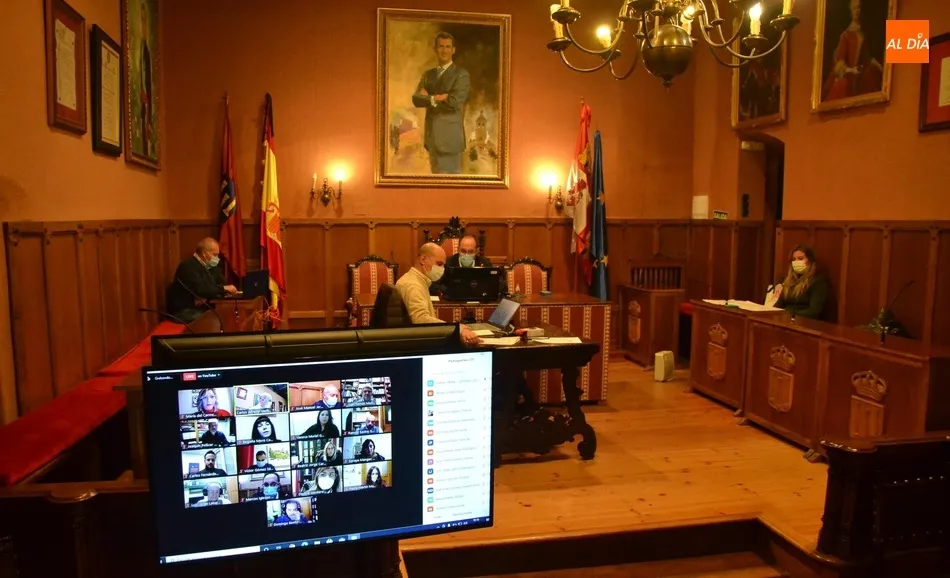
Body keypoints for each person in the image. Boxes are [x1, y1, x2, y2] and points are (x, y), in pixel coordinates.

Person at [395, 243, 481, 346]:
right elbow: (420, 319)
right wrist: (457, 329)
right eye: (439, 264)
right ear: (423, 259)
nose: (442, 269)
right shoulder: (413, 285)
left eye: (443, 265)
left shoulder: (416, 280)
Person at [411, 32, 470, 174]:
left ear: (453, 50)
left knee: (451, 184)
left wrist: (428, 98)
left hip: (450, 141)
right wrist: (436, 98)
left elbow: (453, 103)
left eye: (447, 47)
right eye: (441, 47)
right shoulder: (428, 75)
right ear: (435, 49)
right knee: (435, 182)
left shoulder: (461, 75)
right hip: (432, 141)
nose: (444, 50)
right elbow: (416, 99)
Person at [166, 238, 238, 319]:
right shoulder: (187, 266)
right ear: (204, 253)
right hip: (186, 310)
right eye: (215, 255)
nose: (217, 258)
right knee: (215, 318)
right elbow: (202, 289)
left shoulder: (212, 266)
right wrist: (222, 289)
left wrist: (208, 296)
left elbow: (221, 283)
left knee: (228, 315)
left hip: (203, 307)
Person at [430, 234, 507, 296]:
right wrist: (449, 291)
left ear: (476, 251)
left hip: (478, 299)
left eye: (470, 252)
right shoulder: (448, 263)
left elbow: (501, 285)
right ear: (458, 249)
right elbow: (433, 284)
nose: (466, 254)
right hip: (454, 301)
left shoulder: (484, 263)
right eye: (463, 251)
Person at [775, 244, 829, 320]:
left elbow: (813, 311)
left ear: (810, 261)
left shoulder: (818, 281)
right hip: (785, 319)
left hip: (804, 321)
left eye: (800, 258)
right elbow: (779, 304)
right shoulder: (789, 281)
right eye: (794, 259)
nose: (796, 262)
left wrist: (789, 315)